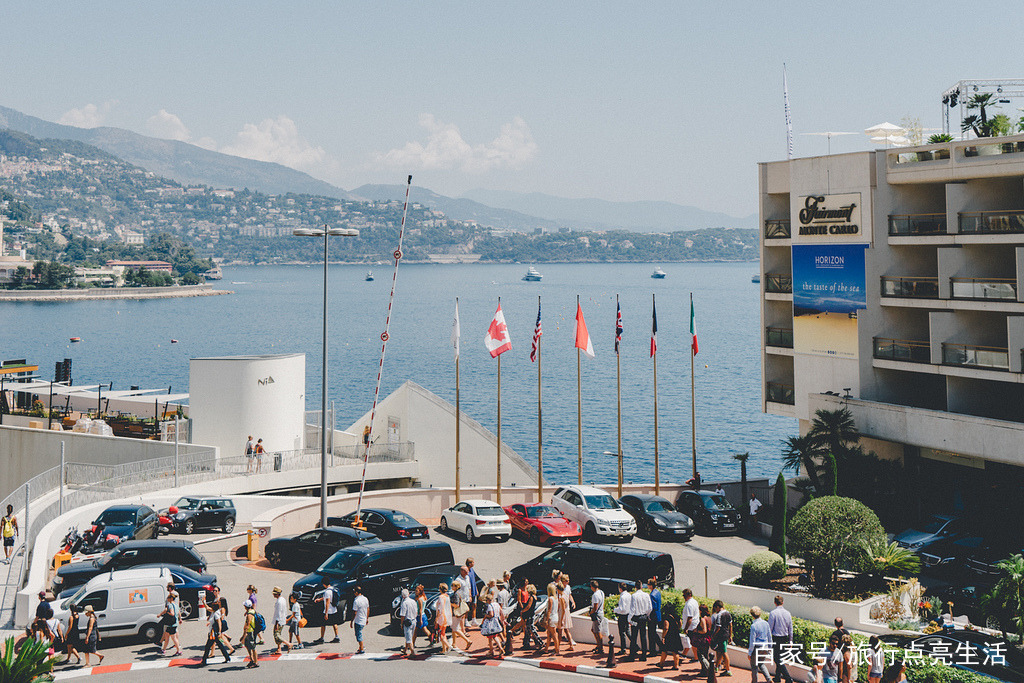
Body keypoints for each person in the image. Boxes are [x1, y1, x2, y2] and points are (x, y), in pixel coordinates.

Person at [767, 595, 794, 683]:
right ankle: (777, 677)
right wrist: (790, 641)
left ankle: (788, 678)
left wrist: (768, 640)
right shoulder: (788, 613)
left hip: (776, 638)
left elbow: (769, 628)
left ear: (775, 602)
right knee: (780, 658)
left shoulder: (773, 613)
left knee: (777, 659)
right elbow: (790, 628)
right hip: (785, 638)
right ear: (782, 602)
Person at [200, 598, 233, 666]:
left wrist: (220, 632)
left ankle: (204, 661)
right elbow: (207, 608)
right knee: (221, 646)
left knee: (207, 647)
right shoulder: (213, 612)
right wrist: (203, 602)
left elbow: (219, 623)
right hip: (214, 633)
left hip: (214, 633)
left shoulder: (216, 614)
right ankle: (227, 657)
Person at [625, 581, 651, 662]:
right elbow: (650, 607)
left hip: (636, 617)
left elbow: (632, 609)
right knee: (643, 636)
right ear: (641, 587)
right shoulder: (646, 595)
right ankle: (644, 655)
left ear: (635, 587)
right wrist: (647, 615)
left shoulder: (634, 596)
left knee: (634, 637)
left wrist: (629, 619)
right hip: (643, 617)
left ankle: (632, 656)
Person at [747, 606, 771, 683]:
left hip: (756, 648)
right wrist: (770, 647)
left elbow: (752, 641)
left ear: (752, 615)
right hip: (765, 647)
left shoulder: (753, 626)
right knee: (761, 664)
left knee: (754, 667)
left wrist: (750, 653)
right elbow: (769, 636)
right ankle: (769, 679)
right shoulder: (766, 623)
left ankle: (754, 681)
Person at [314, 577, 340, 644]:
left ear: (324, 584)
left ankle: (322, 638)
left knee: (323, 624)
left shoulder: (327, 592)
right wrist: (319, 599)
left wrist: (326, 613)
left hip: (329, 611)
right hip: (334, 609)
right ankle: (337, 636)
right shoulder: (332, 589)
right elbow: (327, 598)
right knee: (334, 623)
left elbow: (327, 602)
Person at [658, 604, 684, 670]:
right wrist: (677, 629)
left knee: (664, 650)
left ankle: (661, 664)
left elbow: (666, 628)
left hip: (669, 636)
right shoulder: (676, 616)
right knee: (675, 651)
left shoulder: (666, 618)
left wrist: (663, 637)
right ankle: (676, 665)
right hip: (676, 635)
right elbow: (680, 623)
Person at [711, 599, 733, 677]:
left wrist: (713, 635)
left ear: (717, 607)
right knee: (720, 651)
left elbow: (718, 628)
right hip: (726, 635)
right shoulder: (728, 613)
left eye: (715, 608)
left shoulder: (720, 615)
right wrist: (730, 636)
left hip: (721, 636)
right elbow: (730, 625)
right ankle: (716, 666)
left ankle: (728, 670)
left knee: (724, 652)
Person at [480, 593, 504, 659]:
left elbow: (491, 615)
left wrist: (485, 615)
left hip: (490, 623)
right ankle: (500, 648)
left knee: (490, 638)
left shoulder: (489, 606)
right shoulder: (496, 604)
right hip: (496, 621)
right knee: (495, 636)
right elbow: (501, 611)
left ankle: (491, 651)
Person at [450, 580, 472, 650]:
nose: (452, 587)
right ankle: (454, 644)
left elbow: (456, 605)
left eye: (453, 586)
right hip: (459, 613)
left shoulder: (456, 594)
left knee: (455, 629)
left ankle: (468, 641)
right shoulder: (460, 592)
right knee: (454, 628)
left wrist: (449, 604)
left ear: (456, 587)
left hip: (456, 614)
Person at [159, 589, 182, 656]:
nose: (167, 599)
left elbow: (172, 613)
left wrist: (167, 613)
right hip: (174, 623)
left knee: (173, 638)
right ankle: (163, 650)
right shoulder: (176, 605)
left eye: (168, 598)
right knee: (167, 637)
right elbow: (178, 612)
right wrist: (180, 619)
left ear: (171, 598)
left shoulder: (170, 605)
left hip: (171, 624)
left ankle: (178, 651)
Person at [681, 588, 700, 664]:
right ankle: (684, 654)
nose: (684, 597)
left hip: (691, 626)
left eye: (685, 595)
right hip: (694, 625)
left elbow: (689, 618)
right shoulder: (694, 602)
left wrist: (686, 628)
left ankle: (696, 658)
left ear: (689, 595)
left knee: (693, 643)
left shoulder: (689, 604)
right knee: (691, 642)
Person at [693, 602, 714, 673]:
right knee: (705, 654)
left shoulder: (703, 619)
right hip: (708, 639)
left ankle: (709, 669)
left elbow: (704, 630)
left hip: (703, 640)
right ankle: (704, 671)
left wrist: (696, 631)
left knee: (700, 655)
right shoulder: (709, 618)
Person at [521, 583, 542, 650]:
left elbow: (528, 606)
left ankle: (540, 642)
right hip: (531, 614)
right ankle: (526, 643)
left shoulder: (531, 597)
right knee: (528, 630)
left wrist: (523, 611)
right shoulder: (535, 596)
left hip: (529, 615)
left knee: (531, 629)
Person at [349, 584, 368, 655]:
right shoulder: (365, 599)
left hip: (358, 620)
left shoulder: (356, 601)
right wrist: (367, 618)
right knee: (359, 633)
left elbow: (354, 612)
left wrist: (351, 621)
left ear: (357, 592)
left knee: (358, 634)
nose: (354, 593)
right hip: (363, 619)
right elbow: (368, 608)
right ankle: (361, 647)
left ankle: (362, 648)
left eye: (354, 592)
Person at [589, 580, 607, 655]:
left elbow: (595, 606)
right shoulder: (601, 592)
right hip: (600, 613)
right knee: (593, 630)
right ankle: (598, 645)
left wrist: (591, 612)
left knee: (597, 631)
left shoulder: (595, 595)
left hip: (597, 614)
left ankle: (600, 648)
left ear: (592, 587)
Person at [556, 582, 575, 652]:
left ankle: (557, 648)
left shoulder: (561, 597)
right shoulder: (565, 595)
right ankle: (571, 645)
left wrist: (561, 620)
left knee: (560, 632)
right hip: (566, 613)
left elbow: (563, 609)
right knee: (567, 630)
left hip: (563, 614)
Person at [271, 586, 291, 654]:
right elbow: (284, 609)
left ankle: (288, 644)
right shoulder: (282, 599)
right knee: (278, 634)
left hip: (279, 620)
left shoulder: (279, 601)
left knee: (276, 635)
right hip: (282, 619)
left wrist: (277, 623)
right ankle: (279, 649)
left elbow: (278, 613)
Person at [614, 582, 631, 655]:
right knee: (627, 631)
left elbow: (622, 609)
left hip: (622, 616)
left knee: (622, 633)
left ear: (620, 589)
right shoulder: (629, 595)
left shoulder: (622, 597)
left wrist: (615, 610)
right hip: (628, 615)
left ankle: (623, 649)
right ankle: (635, 645)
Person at [399, 588, 418, 657]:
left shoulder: (404, 603)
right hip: (414, 620)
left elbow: (402, 615)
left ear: (402, 596)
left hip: (408, 621)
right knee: (410, 636)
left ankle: (412, 652)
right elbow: (416, 611)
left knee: (408, 637)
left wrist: (401, 623)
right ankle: (405, 649)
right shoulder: (413, 601)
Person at [435, 582, 452, 654]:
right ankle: (444, 649)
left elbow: (440, 609)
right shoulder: (447, 596)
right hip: (447, 615)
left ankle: (448, 646)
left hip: (442, 617)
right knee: (443, 633)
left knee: (440, 634)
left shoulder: (441, 597)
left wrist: (437, 618)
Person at [242, 599, 259, 668]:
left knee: (253, 647)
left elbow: (248, 625)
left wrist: (244, 635)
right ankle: (252, 659)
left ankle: (255, 662)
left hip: (250, 632)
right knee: (247, 645)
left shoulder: (249, 614)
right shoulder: (253, 611)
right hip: (251, 631)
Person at [543, 583, 559, 654]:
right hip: (556, 616)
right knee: (549, 633)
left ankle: (557, 650)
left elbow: (549, 610)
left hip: (551, 617)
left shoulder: (550, 599)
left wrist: (546, 620)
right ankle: (546, 648)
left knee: (554, 634)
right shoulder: (556, 598)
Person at [648, 578, 662, 656]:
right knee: (654, 633)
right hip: (658, 615)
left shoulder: (652, 595)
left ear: (651, 585)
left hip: (653, 616)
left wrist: (649, 616)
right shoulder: (657, 592)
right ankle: (661, 647)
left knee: (651, 634)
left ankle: (653, 651)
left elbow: (652, 607)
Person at [413, 584, 428, 650]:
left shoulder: (419, 599)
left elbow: (420, 609)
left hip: (420, 616)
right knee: (424, 629)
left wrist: (420, 619)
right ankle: (432, 640)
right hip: (423, 615)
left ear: (420, 591)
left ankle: (412, 644)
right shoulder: (424, 597)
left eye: (417, 591)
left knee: (415, 631)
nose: (415, 592)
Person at [466, 558, 480, 626]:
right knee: (467, 607)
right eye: (473, 562)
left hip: (474, 590)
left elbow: (474, 580)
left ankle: (474, 620)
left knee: (474, 605)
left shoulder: (472, 570)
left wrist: (476, 589)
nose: (474, 563)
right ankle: (466, 620)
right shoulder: (467, 571)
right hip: (469, 592)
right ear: (469, 563)